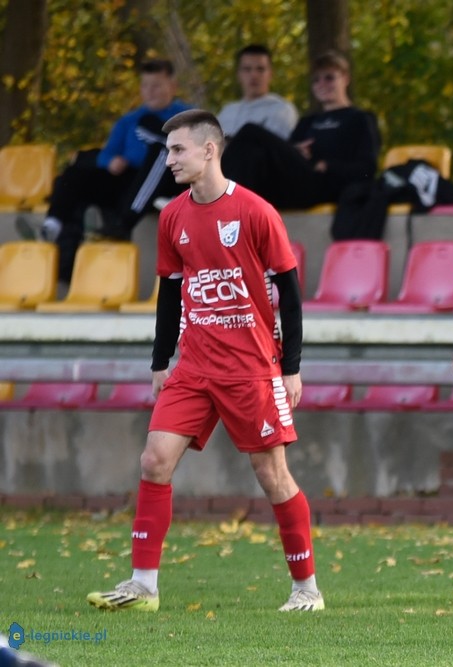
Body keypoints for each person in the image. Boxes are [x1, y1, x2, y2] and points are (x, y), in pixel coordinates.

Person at [86, 108, 322, 613]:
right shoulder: (172, 217)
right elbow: (169, 294)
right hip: (193, 366)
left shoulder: (256, 212)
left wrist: (291, 367)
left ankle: (307, 589)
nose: (169, 160)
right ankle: (143, 586)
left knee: (272, 475)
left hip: (252, 368)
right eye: (168, 150)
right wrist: (160, 361)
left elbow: (290, 293)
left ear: (209, 150)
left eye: (177, 150)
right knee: (154, 460)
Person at [17, 59, 190, 280]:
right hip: (129, 180)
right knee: (77, 171)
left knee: (162, 152)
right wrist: (110, 162)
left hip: (169, 179)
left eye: (156, 85)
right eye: (145, 86)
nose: (150, 91)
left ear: (173, 86)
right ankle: (51, 226)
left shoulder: (188, 116)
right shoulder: (129, 120)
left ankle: (122, 224)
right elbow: (107, 153)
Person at [221, 49, 380, 210]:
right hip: (296, 184)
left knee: (251, 131)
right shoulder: (307, 122)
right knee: (252, 153)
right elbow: (287, 157)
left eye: (329, 78)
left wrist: (327, 165)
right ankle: (230, 210)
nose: (322, 84)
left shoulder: (359, 119)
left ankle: (220, 195)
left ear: (345, 79)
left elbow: (367, 169)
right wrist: (296, 150)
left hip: (327, 186)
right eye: (316, 80)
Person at [217, 44, 299, 139]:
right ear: (239, 74)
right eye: (247, 69)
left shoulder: (282, 110)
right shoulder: (227, 112)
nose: (254, 75)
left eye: (260, 69)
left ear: (270, 74)